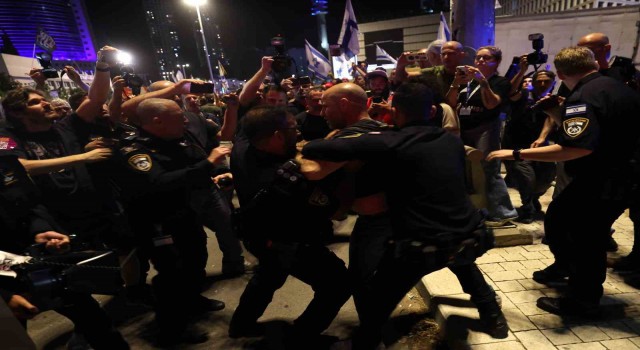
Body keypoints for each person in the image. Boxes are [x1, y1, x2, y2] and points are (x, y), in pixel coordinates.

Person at [302, 81, 507, 348]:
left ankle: (366, 340)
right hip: (467, 234)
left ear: (395, 111)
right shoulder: (450, 140)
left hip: (421, 245)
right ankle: (494, 318)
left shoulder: (391, 142)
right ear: (432, 110)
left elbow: (318, 150)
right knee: (464, 266)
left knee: (377, 302)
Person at [487, 46, 640, 316]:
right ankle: (565, 267)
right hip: (621, 174)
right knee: (559, 219)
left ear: (559, 73)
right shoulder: (617, 87)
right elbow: (598, 132)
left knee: (586, 238)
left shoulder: (582, 97)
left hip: (602, 178)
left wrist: (516, 153)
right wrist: (557, 115)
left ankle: (583, 300)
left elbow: (577, 148)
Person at [109, 98, 230, 345]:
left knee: (196, 258)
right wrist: (208, 164)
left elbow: (188, 171)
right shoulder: (134, 151)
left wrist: (213, 175)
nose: (185, 120)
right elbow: (159, 182)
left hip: (184, 212)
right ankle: (172, 328)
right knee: (172, 275)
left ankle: (193, 301)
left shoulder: (177, 140)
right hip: (157, 222)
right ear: (157, 120)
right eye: (179, 116)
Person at [228, 105, 350, 346]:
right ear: (277, 137)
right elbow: (336, 212)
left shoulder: (242, 147)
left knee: (268, 276)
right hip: (288, 242)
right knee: (338, 284)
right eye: (294, 129)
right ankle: (302, 335)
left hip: (257, 234)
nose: (299, 132)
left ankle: (241, 324)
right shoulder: (288, 180)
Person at [0, 152, 129, 349]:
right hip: (3, 276)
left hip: (34, 259)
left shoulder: (5, 160)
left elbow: (31, 206)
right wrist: (5, 295)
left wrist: (40, 231)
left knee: (96, 323)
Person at [446, 46, 518, 226]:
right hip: (464, 129)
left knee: (489, 168)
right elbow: (450, 103)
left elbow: (492, 104)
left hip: (486, 129)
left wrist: (484, 82)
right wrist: (455, 83)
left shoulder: (500, 82)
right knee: (469, 169)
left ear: (497, 62)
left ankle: (503, 213)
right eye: (478, 58)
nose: (480, 61)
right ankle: (478, 209)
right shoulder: (468, 84)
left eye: (486, 58)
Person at [503, 68, 558, 223]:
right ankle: (527, 207)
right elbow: (510, 93)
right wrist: (520, 69)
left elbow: (551, 118)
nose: (542, 84)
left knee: (546, 177)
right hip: (517, 144)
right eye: (538, 80)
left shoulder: (552, 99)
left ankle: (534, 198)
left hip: (540, 146)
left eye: (546, 81)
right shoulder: (524, 95)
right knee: (526, 178)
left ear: (553, 83)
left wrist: (542, 138)